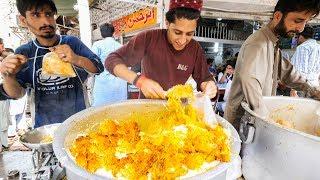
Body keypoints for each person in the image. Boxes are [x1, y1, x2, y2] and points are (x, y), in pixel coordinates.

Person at [0, 0, 104, 128]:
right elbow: (18, 94)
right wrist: (8, 76)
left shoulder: (72, 42)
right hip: (44, 129)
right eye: (36, 15)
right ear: (23, 20)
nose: (46, 22)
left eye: (49, 14)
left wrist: (76, 59)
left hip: (80, 123)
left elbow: (98, 67)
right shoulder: (24, 52)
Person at [224, 0, 320, 130]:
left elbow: (288, 73)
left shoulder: (272, 43)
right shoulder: (258, 43)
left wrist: (313, 91)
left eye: (305, 22)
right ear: (278, 16)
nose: (301, 28)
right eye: (298, 21)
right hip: (244, 125)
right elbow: (250, 83)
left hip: (255, 123)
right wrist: (269, 123)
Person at [105, 0, 217, 100]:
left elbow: (204, 78)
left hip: (176, 110)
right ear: (167, 23)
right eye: (177, 32)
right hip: (147, 108)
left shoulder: (195, 48)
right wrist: (139, 81)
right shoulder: (149, 38)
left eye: (189, 34)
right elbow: (112, 60)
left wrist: (208, 86)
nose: (183, 40)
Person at [91, 23, 127, 106]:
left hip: (103, 84)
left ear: (101, 33)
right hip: (119, 84)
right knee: (118, 109)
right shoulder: (121, 46)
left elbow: (92, 62)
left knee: (101, 110)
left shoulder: (97, 45)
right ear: (113, 32)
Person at [291, 26, 320, 97]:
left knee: (299, 107)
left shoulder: (303, 47)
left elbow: (299, 70)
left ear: (301, 36)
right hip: (315, 85)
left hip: (302, 87)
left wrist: (293, 90)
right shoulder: (318, 46)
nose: (297, 40)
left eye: (297, 37)